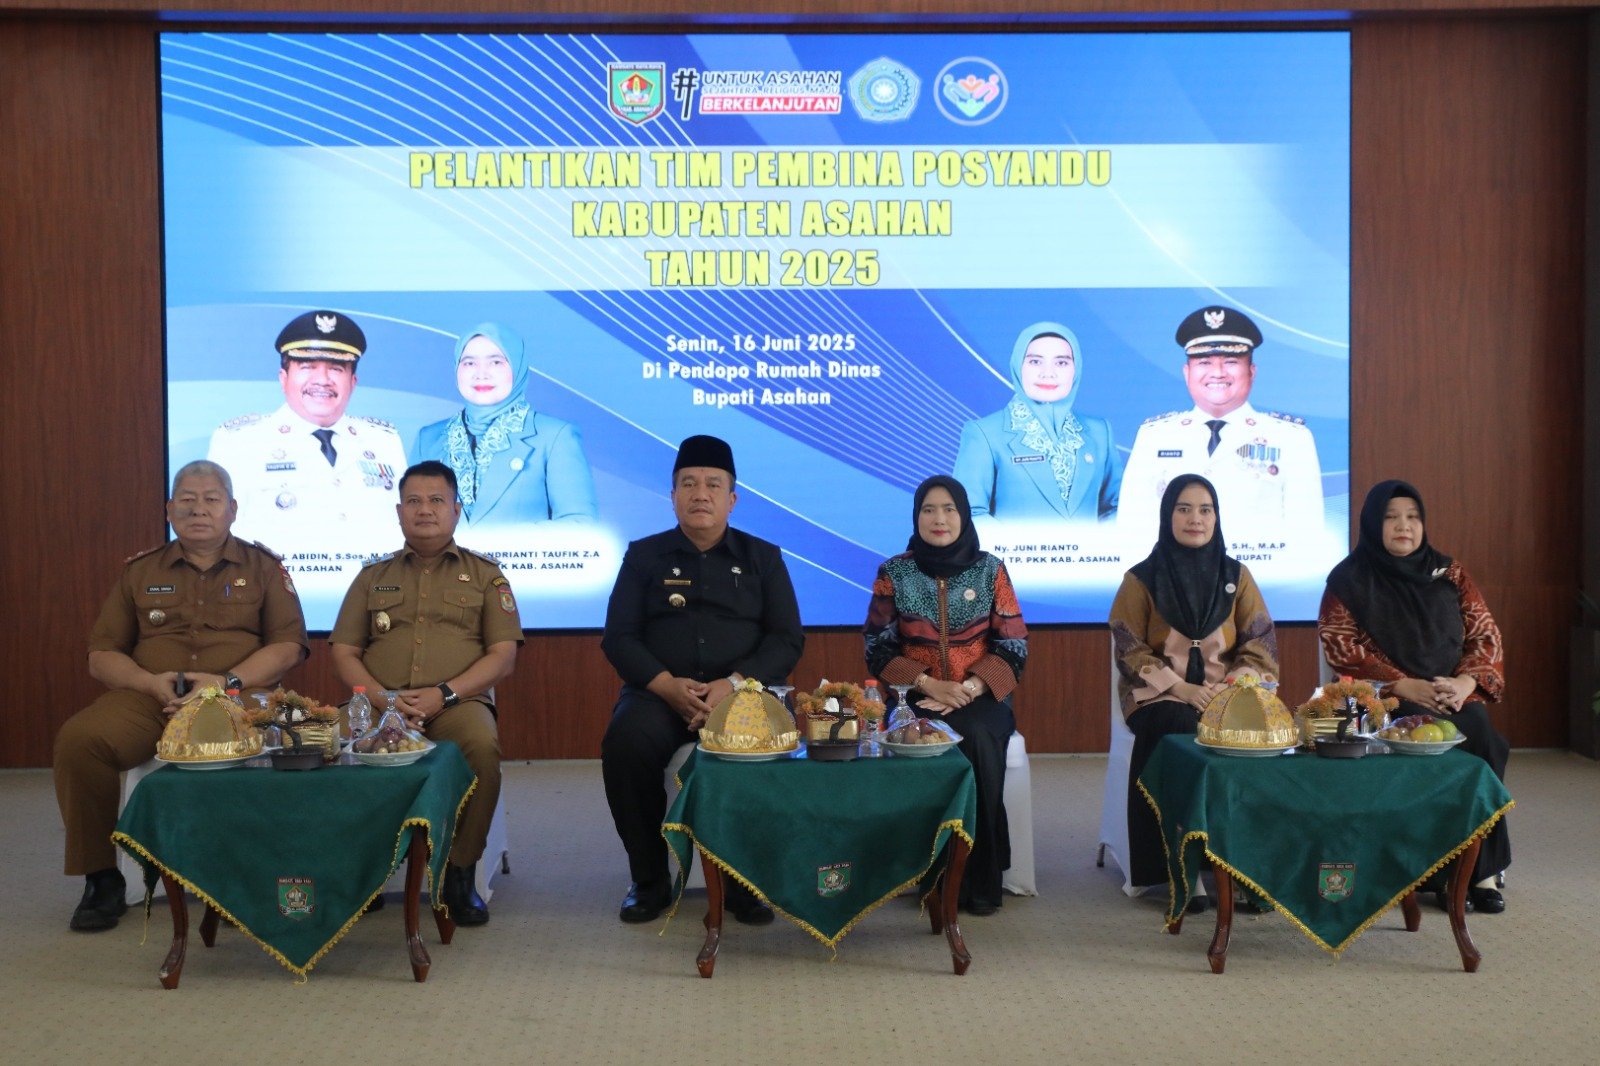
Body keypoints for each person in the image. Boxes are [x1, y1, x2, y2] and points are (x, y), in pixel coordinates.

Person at [54, 461, 308, 931]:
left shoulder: (265, 568)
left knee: (281, 746)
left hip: (237, 697)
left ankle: (248, 876)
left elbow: (288, 646)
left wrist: (225, 683)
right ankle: (101, 878)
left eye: (211, 499)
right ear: (170, 509)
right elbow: (101, 655)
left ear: (232, 509)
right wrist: (148, 683)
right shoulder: (139, 571)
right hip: (152, 696)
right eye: (187, 499)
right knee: (81, 740)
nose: (199, 509)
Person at [600, 435, 804, 925]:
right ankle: (648, 880)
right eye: (688, 484)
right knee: (624, 745)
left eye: (713, 484)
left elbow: (787, 638)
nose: (700, 493)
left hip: (742, 696)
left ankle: (743, 882)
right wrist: (666, 684)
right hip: (659, 694)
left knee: (764, 751)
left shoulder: (763, 557)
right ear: (672, 496)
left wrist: (733, 683)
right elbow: (619, 636)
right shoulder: (643, 556)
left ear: (732, 499)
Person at [329, 460, 523, 926]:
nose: (425, 511)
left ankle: (460, 871)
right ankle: (358, 872)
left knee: (480, 746)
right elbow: (343, 652)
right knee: (329, 744)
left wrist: (444, 694)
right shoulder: (371, 577)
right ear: (399, 512)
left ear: (456, 510)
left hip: (457, 703)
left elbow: (502, 656)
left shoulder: (486, 576)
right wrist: (382, 699)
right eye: (413, 501)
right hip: (378, 704)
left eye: (437, 501)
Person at [1319, 479, 1510, 913]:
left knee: (1480, 735)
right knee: (1429, 730)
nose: (1403, 526)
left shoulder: (1450, 573)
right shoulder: (1349, 579)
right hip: (1384, 700)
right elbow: (1340, 647)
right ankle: (1431, 868)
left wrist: (1463, 684)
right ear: (1372, 524)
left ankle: (1480, 869)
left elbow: (1485, 636)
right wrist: (1402, 685)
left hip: (1452, 693)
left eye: (1412, 517)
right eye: (1391, 518)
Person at [864, 475, 1028, 915]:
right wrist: (929, 685)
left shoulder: (991, 569)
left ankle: (979, 877)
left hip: (984, 695)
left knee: (975, 737)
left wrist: (971, 687)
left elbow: (1013, 645)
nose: (939, 519)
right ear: (916, 517)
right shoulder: (894, 572)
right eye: (928, 510)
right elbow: (877, 647)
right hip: (915, 694)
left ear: (963, 515)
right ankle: (930, 874)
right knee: (924, 736)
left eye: (949, 509)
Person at [1110, 473, 1278, 896]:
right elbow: (1128, 645)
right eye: (1183, 509)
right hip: (1159, 696)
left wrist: (1239, 682)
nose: (1195, 519)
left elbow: (1260, 639)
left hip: (1227, 693)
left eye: (1205, 509)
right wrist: (1178, 687)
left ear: (1217, 517)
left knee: (1265, 734)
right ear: (1168, 515)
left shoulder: (1236, 576)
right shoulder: (1141, 578)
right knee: (1180, 727)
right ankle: (1178, 863)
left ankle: (1243, 862)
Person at [1119, 305, 1323, 549]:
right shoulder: (1154, 436)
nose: (1217, 373)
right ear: (1187, 373)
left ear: (1252, 371)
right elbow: (1130, 531)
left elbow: (1307, 535)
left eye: (1230, 361)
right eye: (1204, 362)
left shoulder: (1290, 439)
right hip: (1170, 582)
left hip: (1258, 583)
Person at [208, 309, 407, 551]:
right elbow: (214, 538)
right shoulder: (240, 442)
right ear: (283, 378)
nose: (322, 380)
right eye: (307, 366)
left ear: (353, 381)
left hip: (373, 586)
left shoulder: (383, 441)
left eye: (336, 368)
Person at [412, 322, 599, 525]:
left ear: (517, 367)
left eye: (496, 362)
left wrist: (506, 546)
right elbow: (407, 520)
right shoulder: (428, 439)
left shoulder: (555, 436)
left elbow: (580, 523)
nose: (481, 373)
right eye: (469, 363)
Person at [953, 321, 1123, 522]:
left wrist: (1094, 548)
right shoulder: (984, 433)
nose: (1048, 373)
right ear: (1018, 366)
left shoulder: (1099, 432)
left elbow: (1118, 507)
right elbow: (969, 512)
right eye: (1035, 362)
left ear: (1076, 370)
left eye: (1061, 362)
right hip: (1011, 553)